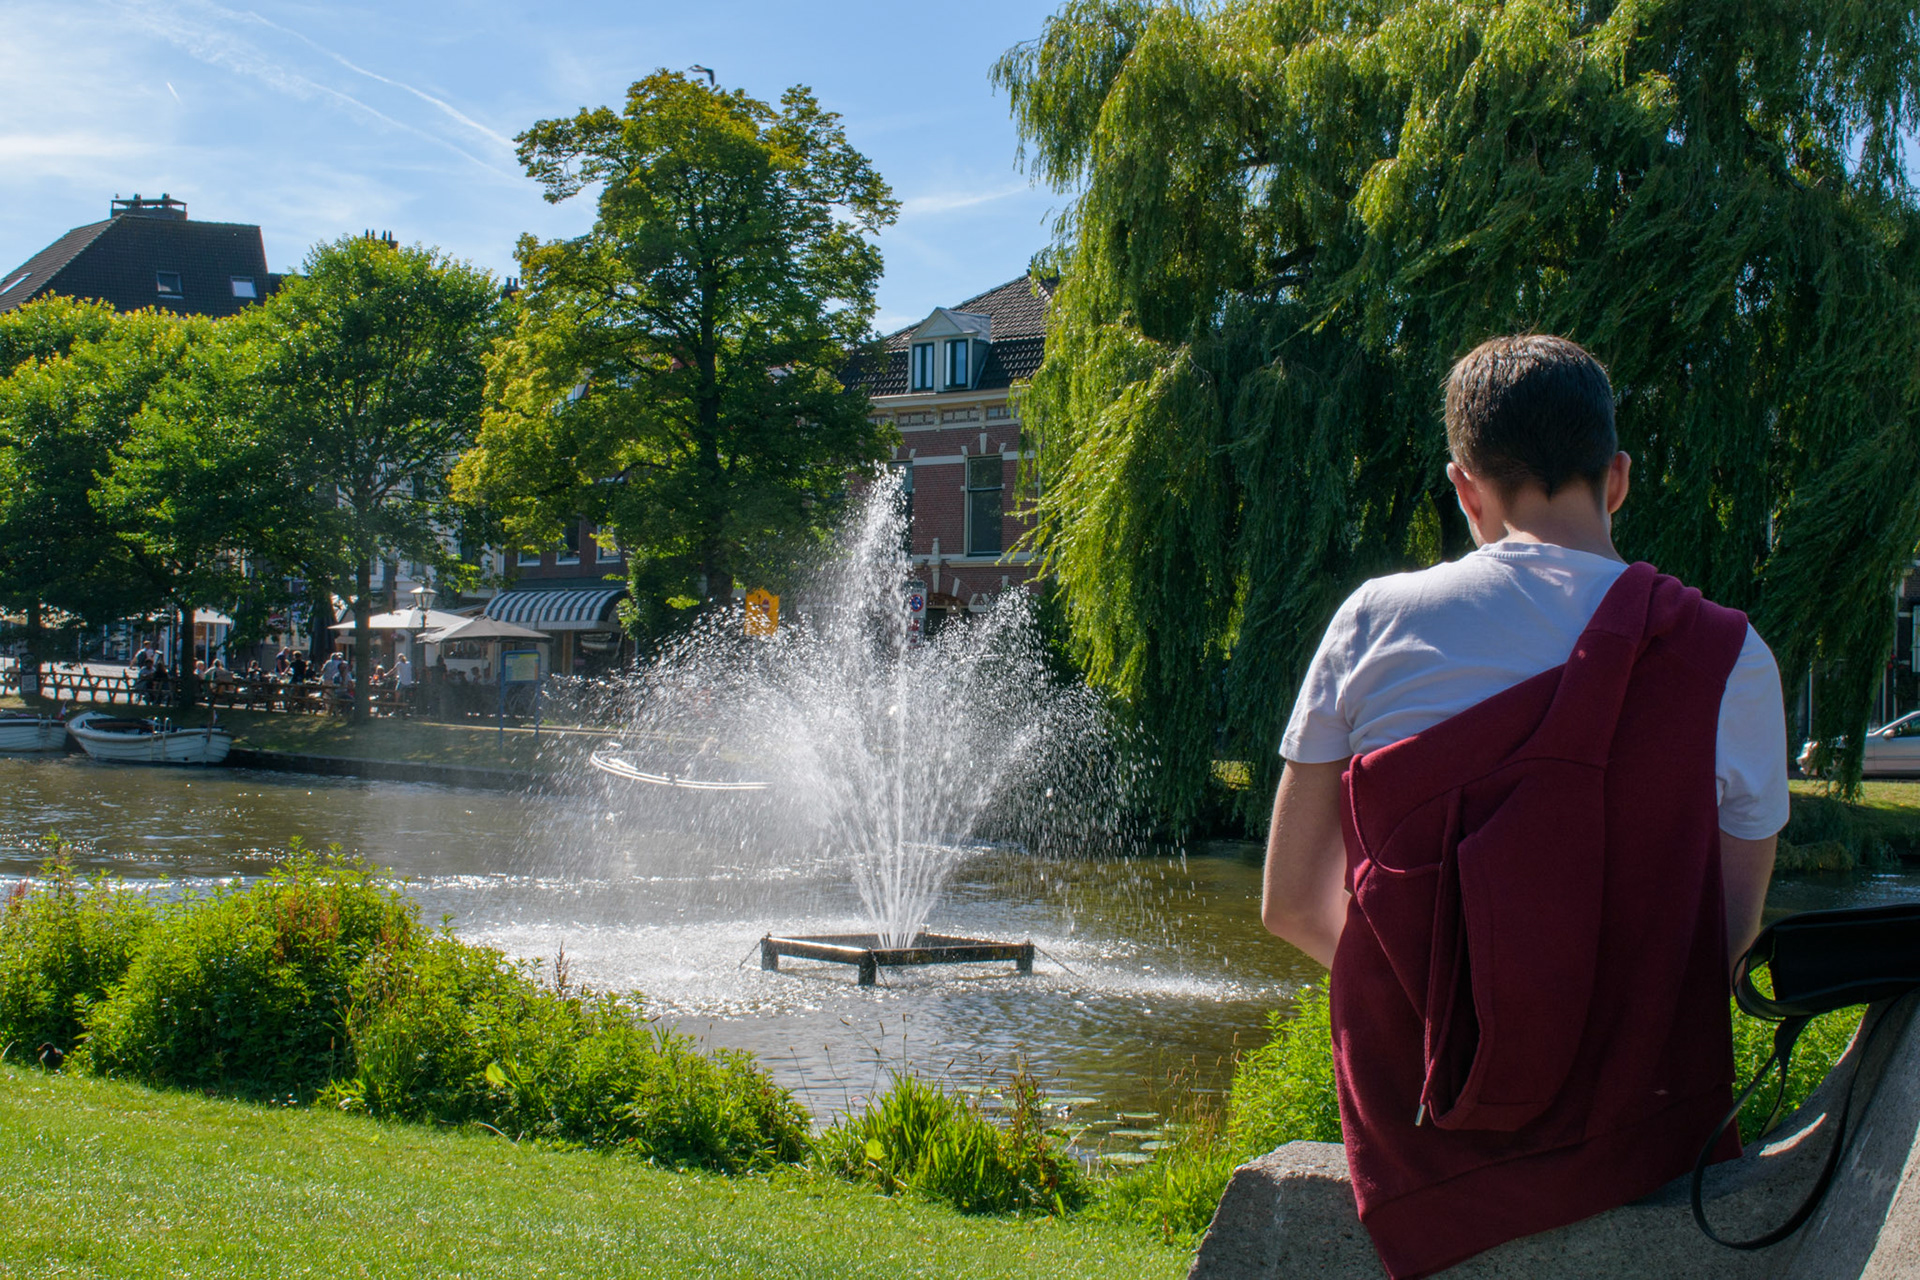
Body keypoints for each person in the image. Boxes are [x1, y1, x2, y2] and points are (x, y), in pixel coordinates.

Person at [1262, 334, 1787, 1279]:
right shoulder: (1728, 656)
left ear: (1465, 489)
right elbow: (1720, 937)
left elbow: (1293, 902)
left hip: (1425, 1125)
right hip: (1637, 1118)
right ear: (1618, 478)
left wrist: (1458, 1008)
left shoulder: (1373, 620)